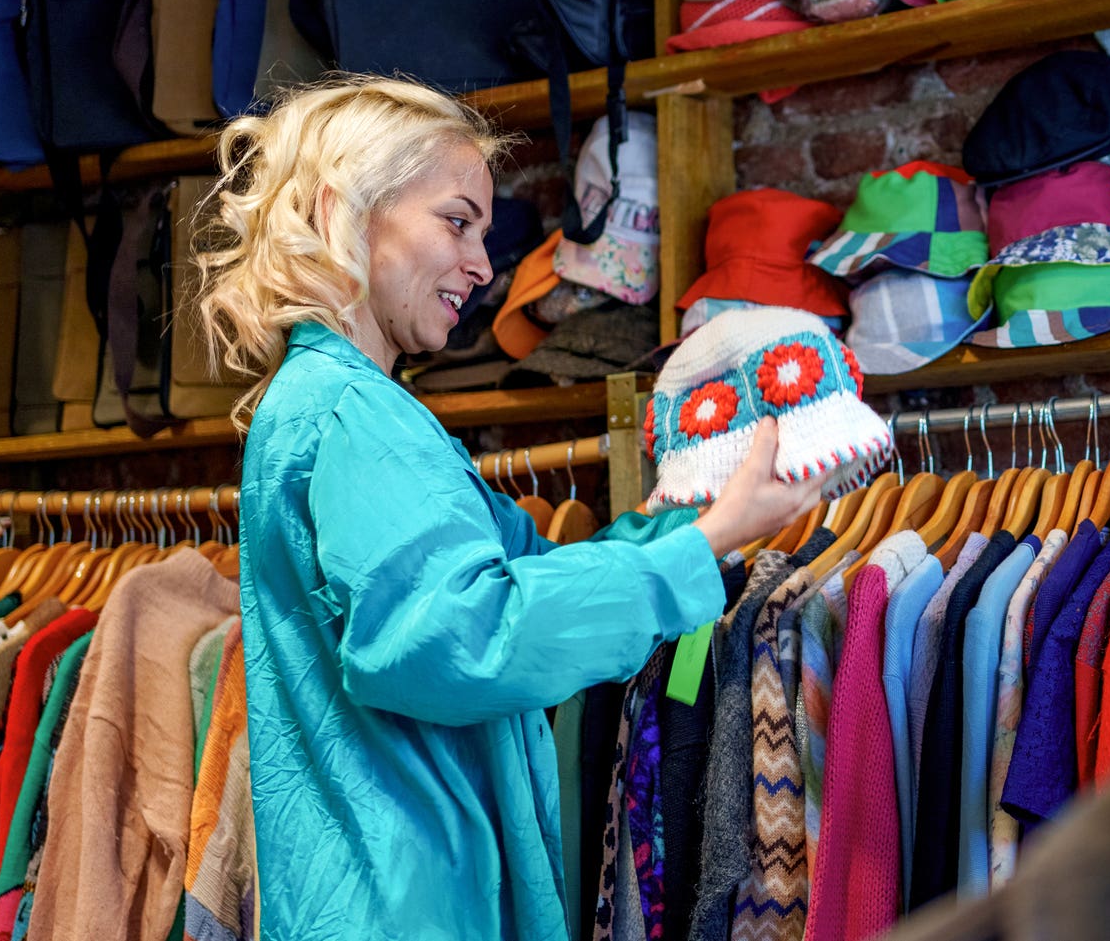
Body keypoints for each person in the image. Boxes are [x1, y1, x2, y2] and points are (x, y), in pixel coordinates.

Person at [196, 78, 825, 940]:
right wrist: (708, 538)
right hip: (406, 907)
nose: (482, 265)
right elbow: (466, 637)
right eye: (456, 222)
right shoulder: (350, 415)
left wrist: (694, 512)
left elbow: (529, 570)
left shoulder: (347, 406)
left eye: (481, 233)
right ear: (343, 208)